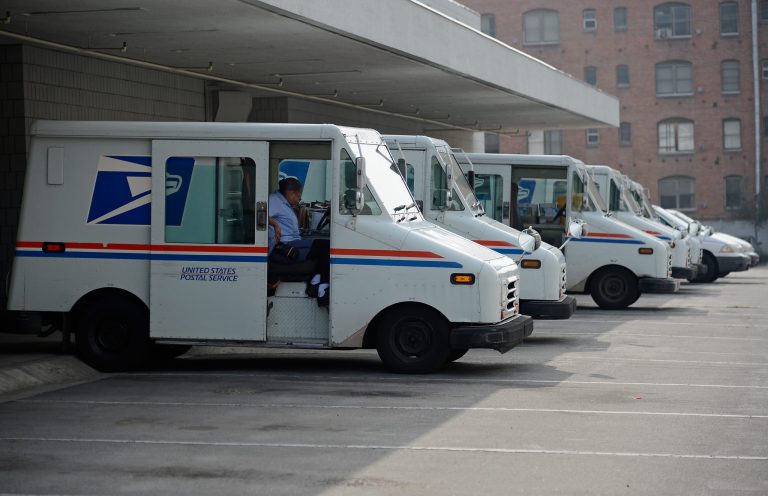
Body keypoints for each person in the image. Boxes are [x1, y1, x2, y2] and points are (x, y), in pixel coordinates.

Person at [268, 177, 330, 283]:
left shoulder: (284, 203)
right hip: (284, 247)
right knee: (325, 248)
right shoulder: (274, 200)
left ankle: (317, 279)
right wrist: (274, 224)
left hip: (294, 241)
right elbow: (259, 216)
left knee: (326, 245)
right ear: (291, 193)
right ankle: (321, 285)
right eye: (298, 197)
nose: (298, 200)